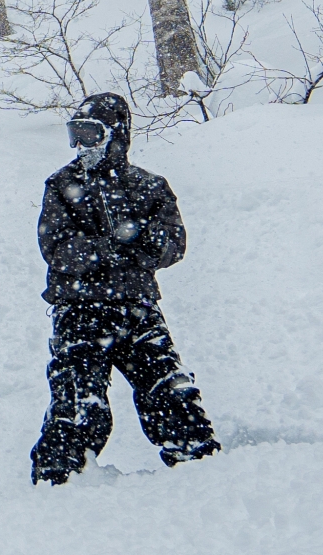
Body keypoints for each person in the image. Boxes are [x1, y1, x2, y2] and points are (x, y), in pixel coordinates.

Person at [30, 92, 219, 486]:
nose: (80, 145)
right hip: (79, 308)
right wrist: (114, 246)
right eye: (75, 134)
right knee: (78, 400)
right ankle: (56, 481)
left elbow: (173, 244)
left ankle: (203, 468)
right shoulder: (62, 184)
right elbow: (58, 250)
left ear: (115, 135)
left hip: (135, 307)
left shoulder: (148, 186)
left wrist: (141, 239)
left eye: (89, 134)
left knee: (168, 388)